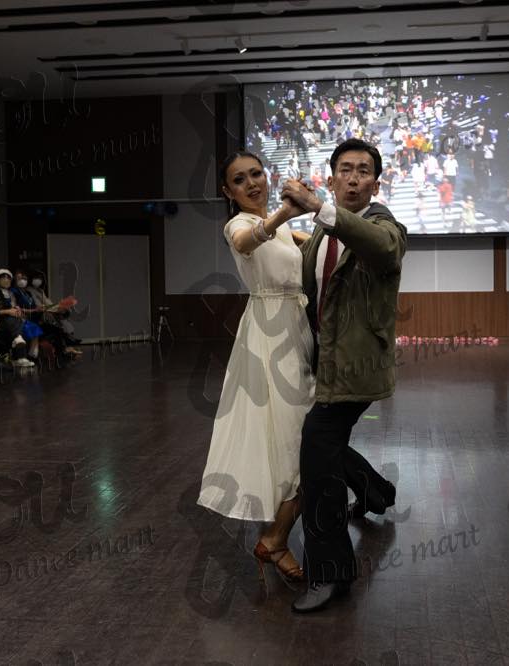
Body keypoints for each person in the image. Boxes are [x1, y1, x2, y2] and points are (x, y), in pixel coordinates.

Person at [281, 138, 406, 613]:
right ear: (332, 178)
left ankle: (331, 572)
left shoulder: (384, 225)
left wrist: (320, 208)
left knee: (316, 453)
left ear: (375, 183)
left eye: (364, 171)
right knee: (325, 444)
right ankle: (376, 491)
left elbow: (384, 250)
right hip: (325, 363)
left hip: (356, 368)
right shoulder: (319, 235)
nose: (354, 178)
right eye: (346, 170)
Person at [197, 151, 313, 584]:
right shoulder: (238, 225)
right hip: (269, 336)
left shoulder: (284, 229)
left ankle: (276, 537)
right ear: (228, 192)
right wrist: (285, 212)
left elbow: (314, 244)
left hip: (296, 327)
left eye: (256, 174)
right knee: (292, 439)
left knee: (301, 436)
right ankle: (274, 539)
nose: (252, 183)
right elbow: (247, 242)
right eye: (240, 180)